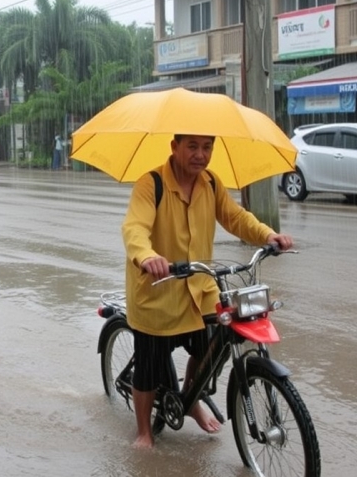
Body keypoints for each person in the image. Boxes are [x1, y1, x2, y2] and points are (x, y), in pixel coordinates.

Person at [121, 134, 294, 449]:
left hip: (199, 287)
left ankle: (191, 400)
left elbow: (235, 218)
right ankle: (144, 431)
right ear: (174, 147)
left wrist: (268, 234)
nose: (200, 155)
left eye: (207, 147)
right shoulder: (151, 184)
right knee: (149, 364)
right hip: (158, 288)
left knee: (210, 351)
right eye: (192, 146)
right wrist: (146, 255)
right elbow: (135, 227)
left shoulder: (211, 183)